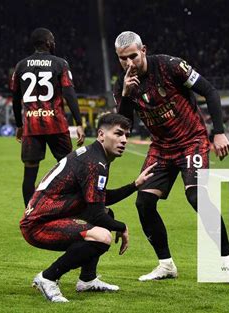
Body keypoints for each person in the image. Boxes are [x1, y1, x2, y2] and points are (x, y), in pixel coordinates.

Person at [113, 31, 229, 285]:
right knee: (143, 204)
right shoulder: (122, 84)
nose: (129, 63)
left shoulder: (170, 66)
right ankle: (166, 265)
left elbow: (210, 91)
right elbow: (124, 124)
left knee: (196, 196)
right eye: (122, 59)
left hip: (191, 141)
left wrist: (218, 133)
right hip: (161, 147)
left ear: (143, 50)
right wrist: (127, 96)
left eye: (132, 56)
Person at [20, 113, 156, 302]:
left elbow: (98, 199)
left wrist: (134, 185)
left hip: (48, 218)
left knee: (107, 215)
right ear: (101, 135)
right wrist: (122, 227)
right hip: (39, 226)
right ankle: (48, 277)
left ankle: (87, 279)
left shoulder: (94, 155)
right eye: (118, 134)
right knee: (102, 236)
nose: (124, 140)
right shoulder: (95, 163)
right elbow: (95, 213)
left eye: (126, 134)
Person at [10, 27, 85, 207]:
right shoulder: (60, 63)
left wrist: (19, 125)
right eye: (53, 39)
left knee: (29, 174)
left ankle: (29, 217)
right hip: (56, 125)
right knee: (71, 169)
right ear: (48, 43)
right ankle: (75, 209)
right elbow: (70, 94)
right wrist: (79, 123)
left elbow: (15, 99)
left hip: (31, 126)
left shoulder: (21, 65)